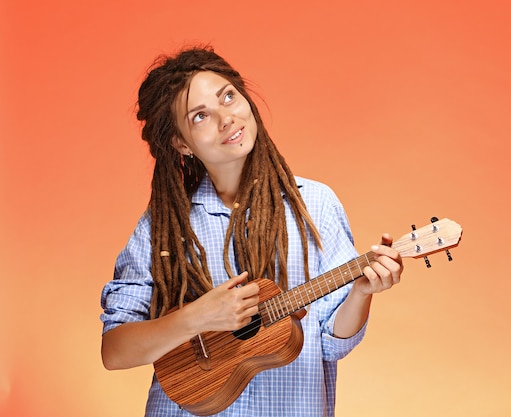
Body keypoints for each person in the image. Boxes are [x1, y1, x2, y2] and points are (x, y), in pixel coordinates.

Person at [100, 45, 404, 417]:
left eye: (228, 96)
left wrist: (361, 291)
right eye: (200, 116)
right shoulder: (163, 226)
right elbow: (114, 352)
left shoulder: (315, 206)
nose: (226, 118)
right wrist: (197, 317)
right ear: (181, 143)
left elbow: (331, 343)